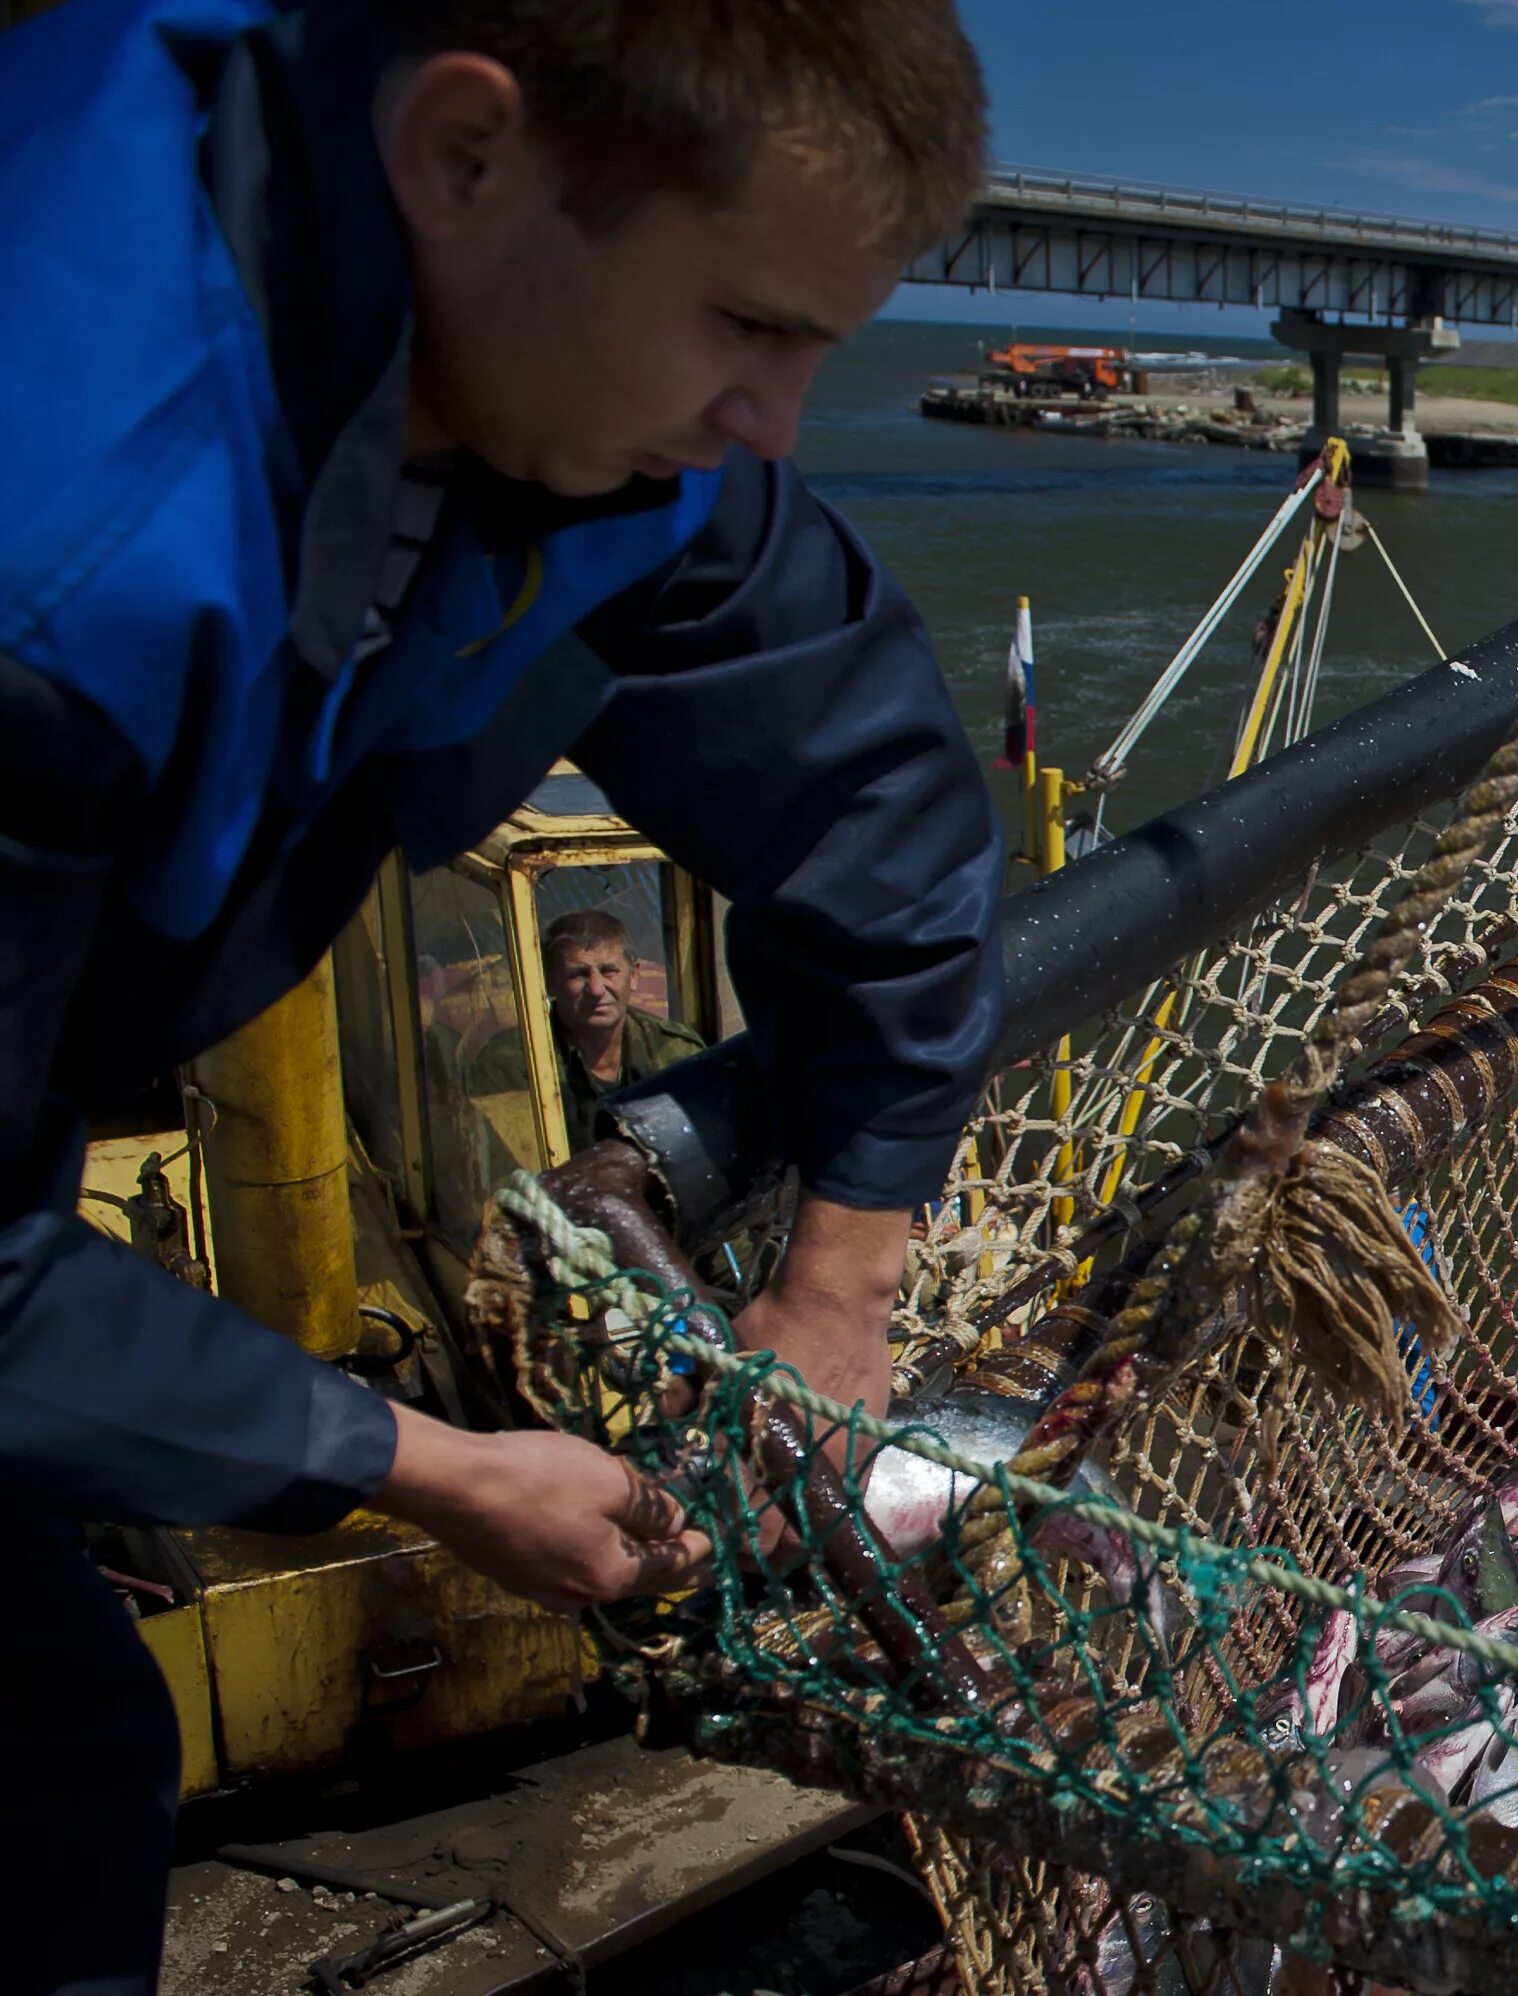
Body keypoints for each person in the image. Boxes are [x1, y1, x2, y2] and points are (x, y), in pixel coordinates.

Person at [0, 1, 1005, 1984]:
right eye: (751, 328)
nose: (779, 421)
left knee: (54, 1735)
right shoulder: (58, 536)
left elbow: (871, 794)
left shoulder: (577, 388)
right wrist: (431, 1466)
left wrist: (844, 1275)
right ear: (467, 155)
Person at [483, 908, 711, 1155]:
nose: (596, 988)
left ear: (633, 976)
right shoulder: (511, 1065)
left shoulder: (678, 1052)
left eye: (609, 971)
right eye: (578, 975)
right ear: (549, 982)